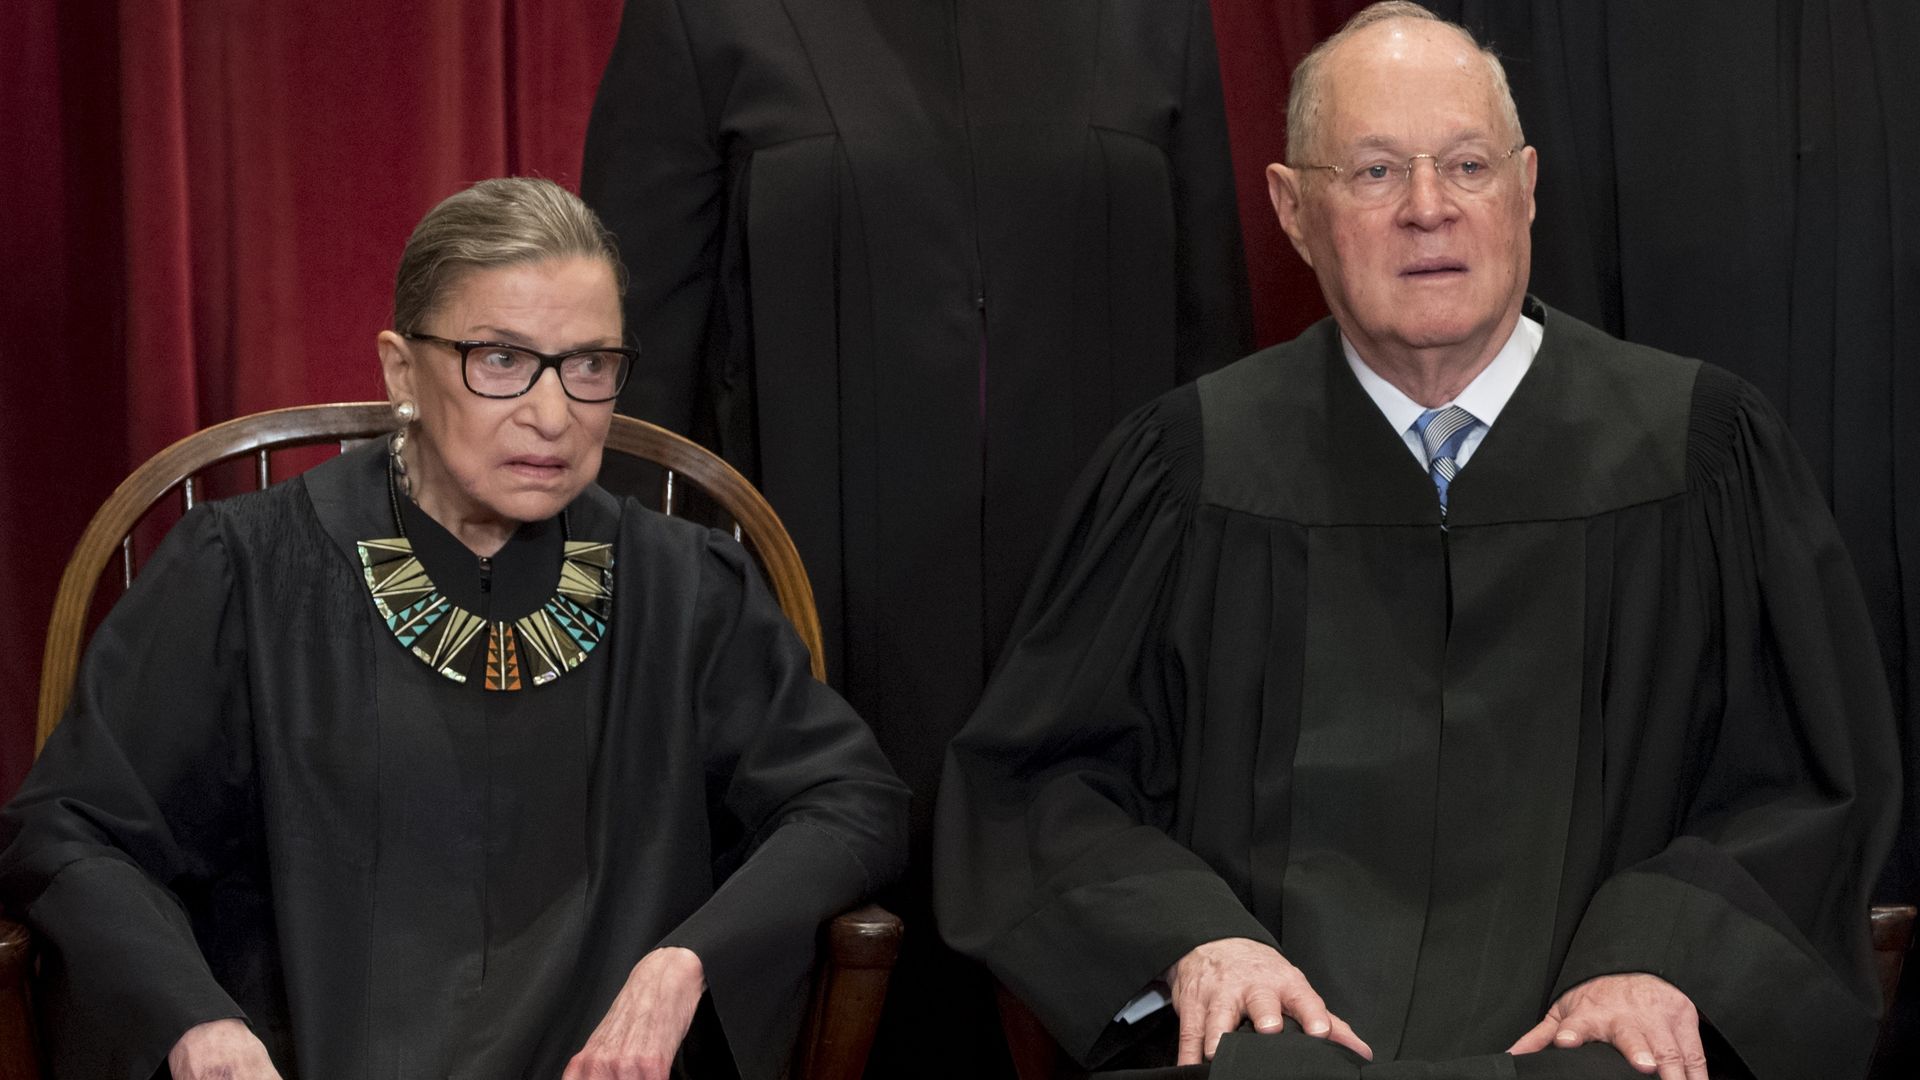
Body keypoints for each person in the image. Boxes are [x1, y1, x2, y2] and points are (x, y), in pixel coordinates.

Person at [933, 6, 1899, 1080]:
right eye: (1377, 173)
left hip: (1594, 1039)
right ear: (1293, 211)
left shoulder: (1699, 456)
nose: (1429, 210)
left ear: (1527, 189)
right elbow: (1042, 782)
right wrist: (1194, 940)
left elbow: (1811, 783)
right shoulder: (1189, 470)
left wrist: (1664, 955)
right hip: (1275, 1039)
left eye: (1468, 166)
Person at [0, 177, 908, 1080]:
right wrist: (197, 1026)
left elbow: (851, 801)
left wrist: (687, 964)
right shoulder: (245, 571)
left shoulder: (687, 591)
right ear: (402, 369)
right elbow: (72, 828)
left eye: (590, 365)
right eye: (501, 360)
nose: (554, 415)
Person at [579, 3, 1251, 1071]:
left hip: (1101, 645)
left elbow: (1208, 347)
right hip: (815, 654)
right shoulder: (705, 19)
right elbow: (634, 395)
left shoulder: (1150, 19)